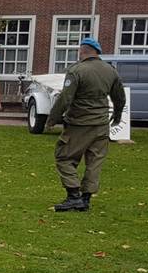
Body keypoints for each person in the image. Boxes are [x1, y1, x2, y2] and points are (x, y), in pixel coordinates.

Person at [45, 37, 125, 212]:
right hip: (101, 123)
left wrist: (52, 119)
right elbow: (119, 96)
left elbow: (65, 98)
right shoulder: (110, 70)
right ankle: (86, 199)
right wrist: (117, 116)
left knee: (64, 157)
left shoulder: (77, 70)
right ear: (98, 52)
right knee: (94, 161)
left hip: (79, 123)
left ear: (82, 51)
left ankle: (73, 196)